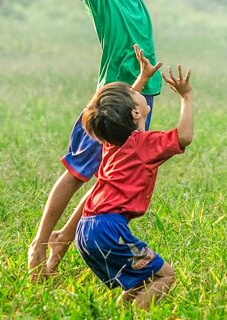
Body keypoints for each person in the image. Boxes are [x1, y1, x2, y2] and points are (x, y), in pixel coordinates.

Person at [28, 0, 205, 278]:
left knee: (109, 179)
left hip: (142, 97)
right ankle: (40, 245)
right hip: (111, 100)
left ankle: (58, 253)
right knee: (76, 173)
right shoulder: (100, 0)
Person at [76, 63, 193, 308]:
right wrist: (186, 97)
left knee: (139, 281)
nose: (136, 91)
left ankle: (121, 311)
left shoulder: (112, 141)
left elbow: (117, 112)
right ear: (135, 114)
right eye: (134, 93)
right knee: (166, 275)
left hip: (86, 228)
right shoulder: (144, 144)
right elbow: (184, 136)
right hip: (109, 230)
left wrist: (141, 78)